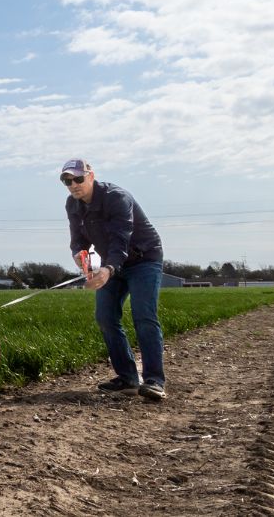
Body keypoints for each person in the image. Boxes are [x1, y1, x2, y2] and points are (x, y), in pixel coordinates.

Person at [60, 159, 167, 401]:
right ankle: (128, 378)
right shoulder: (72, 204)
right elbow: (78, 238)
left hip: (143, 259)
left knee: (144, 316)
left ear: (91, 176)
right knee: (105, 317)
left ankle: (154, 381)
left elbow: (122, 240)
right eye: (67, 181)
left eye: (78, 178)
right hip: (112, 263)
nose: (73, 185)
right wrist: (79, 253)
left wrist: (108, 268)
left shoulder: (116, 198)